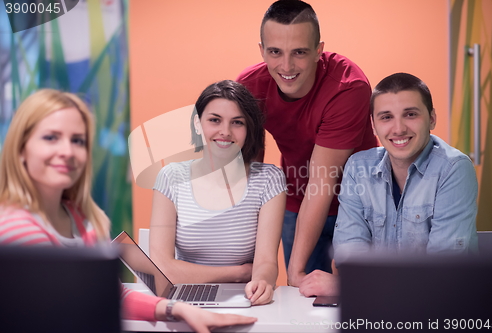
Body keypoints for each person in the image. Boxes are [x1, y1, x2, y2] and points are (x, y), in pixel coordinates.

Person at [0, 89, 257, 332]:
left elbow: (108, 294)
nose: (67, 151)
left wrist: (175, 308)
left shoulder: (78, 218)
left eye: (77, 140)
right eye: (50, 137)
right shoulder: (16, 229)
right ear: (21, 148)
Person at [236, 0, 378, 287]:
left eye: (299, 52)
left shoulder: (348, 86)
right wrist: (249, 262)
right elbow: (252, 173)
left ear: (318, 51)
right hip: (296, 201)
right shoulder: (250, 87)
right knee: (303, 300)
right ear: (262, 50)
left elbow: (322, 180)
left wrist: (295, 271)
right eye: (275, 52)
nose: (286, 66)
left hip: (360, 205)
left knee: (362, 297)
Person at [299, 72, 479, 297]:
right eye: (386, 117)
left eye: (410, 114)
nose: (398, 129)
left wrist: (347, 286)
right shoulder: (358, 168)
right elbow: (350, 259)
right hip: (375, 308)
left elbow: (442, 273)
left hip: (440, 310)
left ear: (432, 118)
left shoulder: (454, 169)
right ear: (373, 125)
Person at [149, 80, 287, 305]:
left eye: (237, 122)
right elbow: (162, 269)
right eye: (215, 120)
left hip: (244, 300)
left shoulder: (269, 179)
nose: (225, 132)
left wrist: (261, 280)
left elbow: (266, 263)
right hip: (185, 303)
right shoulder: (171, 177)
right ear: (197, 123)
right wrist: (239, 273)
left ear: (248, 128)